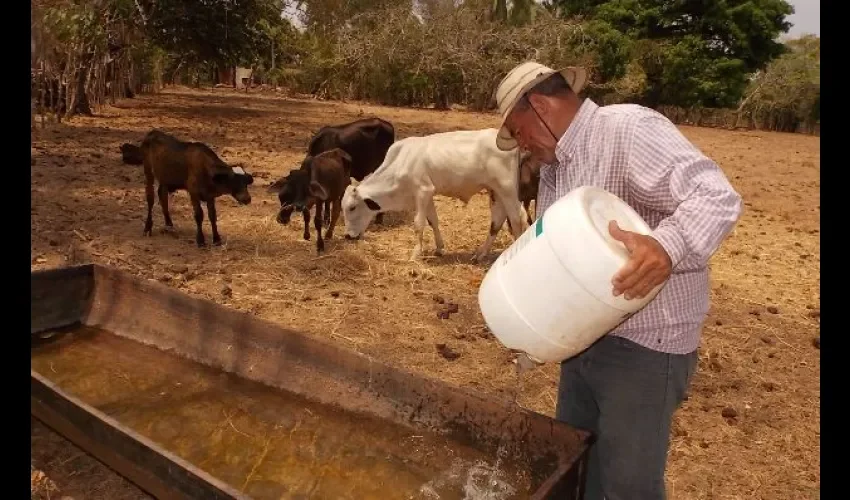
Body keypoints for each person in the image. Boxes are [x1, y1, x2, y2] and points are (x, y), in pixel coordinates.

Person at [493, 61, 743, 500]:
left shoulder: (625, 129)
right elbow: (562, 258)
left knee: (628, 484)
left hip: (646, 346)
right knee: (575, 464)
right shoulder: (556, 167)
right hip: (585, 339)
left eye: (518, 131)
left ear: (539, 105)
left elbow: (715, 195)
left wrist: (667, 246)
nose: (521, 146)